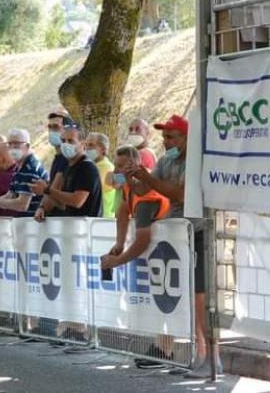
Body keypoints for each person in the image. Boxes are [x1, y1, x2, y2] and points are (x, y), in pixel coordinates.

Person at [125, 114, 219, 377]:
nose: (166, 142)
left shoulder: (195, 161)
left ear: (186, 138)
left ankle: (211, 357)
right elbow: (146, 189)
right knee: (183, 299)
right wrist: (132, 179)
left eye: (171, 136)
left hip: (198, 232)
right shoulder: (165, 161)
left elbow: (180, 194)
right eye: (164, 137)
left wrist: (147, 178)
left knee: (201, 298)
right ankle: (194, 355)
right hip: (176, 236)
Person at [100, 145, 171, 366]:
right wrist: (120, 243)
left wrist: (117, 261)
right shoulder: (129, 188)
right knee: (160, 300)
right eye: (116, 165)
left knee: (167, 301)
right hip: (160, 253)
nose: (116, 171)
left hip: (168, 252)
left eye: (121, 167)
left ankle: (166, 349)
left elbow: (142, 240)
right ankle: (161, 348)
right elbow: (122, 211)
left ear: (134, 166)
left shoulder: (146, 197)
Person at [31, 123, 102, 219]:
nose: (65, 144)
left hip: (85, 228)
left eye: (70, 141)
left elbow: (77, 201)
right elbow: (63, 204)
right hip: (70, 226)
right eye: (63, 141)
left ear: (82, 144)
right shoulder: (68, 167)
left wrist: (47, 190)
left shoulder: (87, 167)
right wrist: (42, 207)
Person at [0, 128, 49, 217]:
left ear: (27, 146)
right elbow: (11, 194)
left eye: (16, 144)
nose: (12, 148)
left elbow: (22, 205)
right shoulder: (18, 167)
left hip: (33, 223)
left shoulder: (30, 168)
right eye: (10, 144)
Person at [86, 132, 116, 218]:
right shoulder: (93, 166)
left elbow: (89, 189)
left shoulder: (106, 167)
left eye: (91, 145)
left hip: (104, 219)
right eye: (86, 145)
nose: (87, 148)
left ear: (103, 149)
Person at [46, 107, 74, 184]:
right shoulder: (58, 158)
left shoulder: (69, 159)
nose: (51, 131)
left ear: (67, 130)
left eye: (56, 127)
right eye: (49, 127)